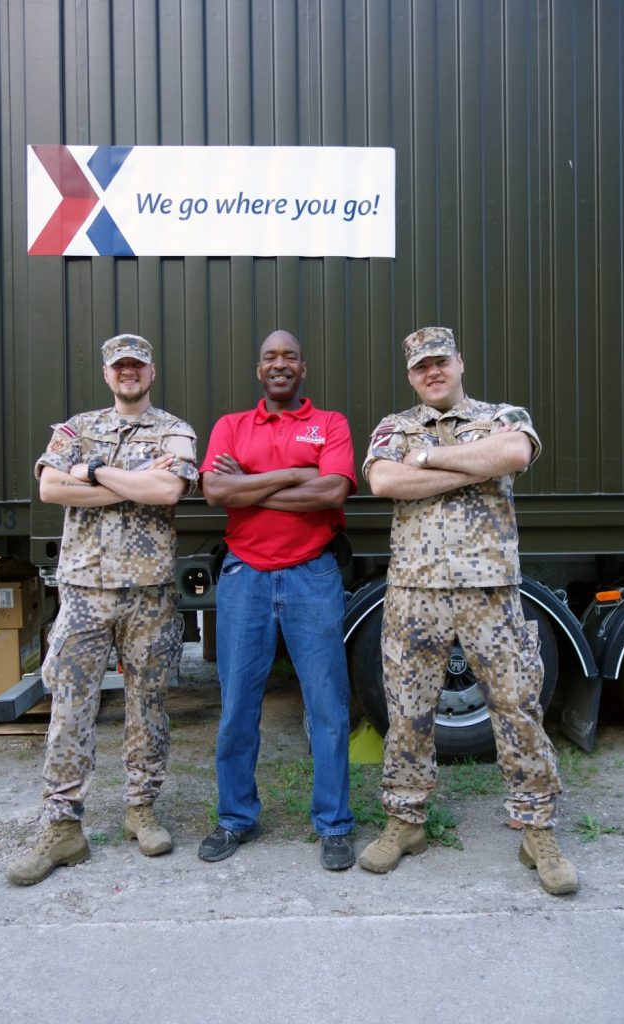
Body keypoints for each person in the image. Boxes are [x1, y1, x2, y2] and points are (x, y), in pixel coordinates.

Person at [358, 326, 578, 896]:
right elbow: (384, 480)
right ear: (410, 375)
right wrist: (472, 466)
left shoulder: (502, 414)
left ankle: (537, 831)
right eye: (420, 367)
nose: (432, 372)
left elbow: (513, 451)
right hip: (414, 591)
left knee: (517, 706)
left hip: (491, 591)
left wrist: (429, 458)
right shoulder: (393, 427)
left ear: (460, 362)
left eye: (440, 362)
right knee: (408, 712)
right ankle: (405, 822)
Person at [7, 334, 198, 886]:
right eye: (120, 366)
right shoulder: (74, 429)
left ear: (151, 371)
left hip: (149, 595)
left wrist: (90, 473)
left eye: (137, 365)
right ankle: (63, 827)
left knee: (149, 706)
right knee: (69, 708)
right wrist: (128, 483)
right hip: (84, 594)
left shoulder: (174, 430)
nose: (129, 373)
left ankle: (141, 809)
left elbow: (167, 491)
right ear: (107, 373)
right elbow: (49, 488)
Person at [197, 329, 356, 870]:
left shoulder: (329, 424)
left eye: (289, 356)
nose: (280, 364)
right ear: (258, 370)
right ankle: (235, 817)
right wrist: (295, 474)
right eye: (270, 357)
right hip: (246, 577)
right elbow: (218, 493)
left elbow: (332, 491)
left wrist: (254, 483)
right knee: (238, 707)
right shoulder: (230, 426)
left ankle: (334, 824)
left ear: (302, 368)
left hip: (313, 575)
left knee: (327, 706)